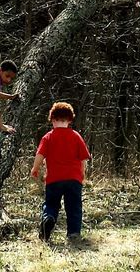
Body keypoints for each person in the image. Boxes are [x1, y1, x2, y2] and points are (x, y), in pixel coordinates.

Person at [30, 101, 91, 244]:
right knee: (74, 206)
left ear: (52, 119)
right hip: (74, 179)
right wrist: (82, 175)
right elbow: (83, 159)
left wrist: (35, 168)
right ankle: (73, 233)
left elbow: (40, 155)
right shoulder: (76, 136)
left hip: (54, 179)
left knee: (51, 203)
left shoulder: (48, 137)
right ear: (70, 120)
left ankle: (48, 218)